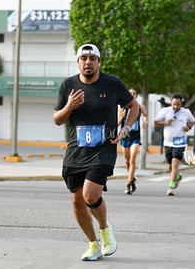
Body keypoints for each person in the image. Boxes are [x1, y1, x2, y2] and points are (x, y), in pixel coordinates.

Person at [53, 44, 139, 261]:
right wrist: (69, 106)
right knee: (76, 201)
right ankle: (93, 244)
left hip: (104, 148)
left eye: (92, 58)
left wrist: (125, 129)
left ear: (99, 62)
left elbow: (133, 106)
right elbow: (57, 119)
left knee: (90, 194)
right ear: (78, 62)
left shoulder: (111, 83)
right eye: (84, 58)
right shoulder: (68, 85)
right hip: (76, 150)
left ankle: (104, 229)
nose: (88, 62)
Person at [154, 94, 195, 196]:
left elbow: (193, 121)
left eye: (178, 104)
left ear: (182, 103)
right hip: (168, 142)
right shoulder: (165, 111)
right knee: (170, 166)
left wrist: (188, 127)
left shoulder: (186, 112)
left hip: (180, 142)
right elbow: (156, 122)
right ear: (171, 103)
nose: (176, 107)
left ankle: (170, 187)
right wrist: (165, 122)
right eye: (174, 104)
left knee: (175, 164)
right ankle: (176, 177)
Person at [118, 88, 148, 194]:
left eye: (134, 94)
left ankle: (129, 183)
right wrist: (121, 117)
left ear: (137, 96)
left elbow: (145, 115)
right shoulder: (122, 107)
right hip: (125, 136)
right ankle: (131, 177)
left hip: (135, 137)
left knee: (132, 159)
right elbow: (116, 123)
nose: (132, 95)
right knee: (127, 160)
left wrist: (145, 121)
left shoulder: (140, 107)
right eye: (130, 94)